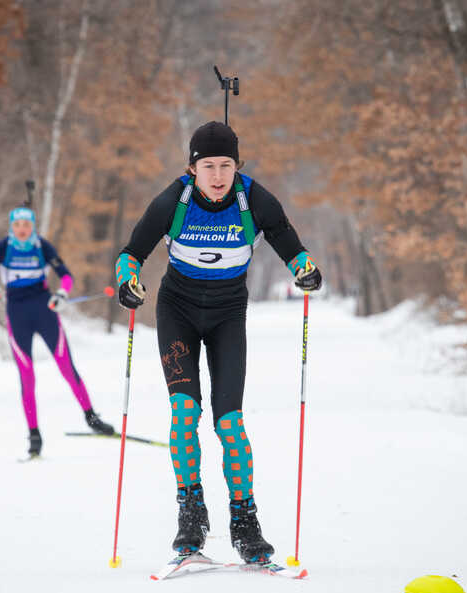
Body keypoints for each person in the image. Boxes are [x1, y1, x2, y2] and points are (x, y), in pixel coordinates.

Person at [114, 121, 322, 563]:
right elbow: (132, 253)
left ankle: (245, 522)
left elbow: (289, 244)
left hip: (228, 316)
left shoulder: (254, 200)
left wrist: (305, 269)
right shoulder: (175, 200)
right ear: (192, 168)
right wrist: (128, 282)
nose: (217, 175)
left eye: (226, 165)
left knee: (229, 422)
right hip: (178, 314)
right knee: (185, 412)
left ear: (237, 166)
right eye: (207, 166)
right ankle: (191, 513)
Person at [0, 205, 114, 457]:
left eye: (27, 225)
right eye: (17, 225)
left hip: (45, 309)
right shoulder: (3, 247)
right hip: (17, 314)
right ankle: (34, 434)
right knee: (27, 376)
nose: (22, 230)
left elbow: (66, 275)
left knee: (67, 368)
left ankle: (91, 418)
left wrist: (62, 293)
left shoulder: (42, 246)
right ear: (11, 227)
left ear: (33, 226)